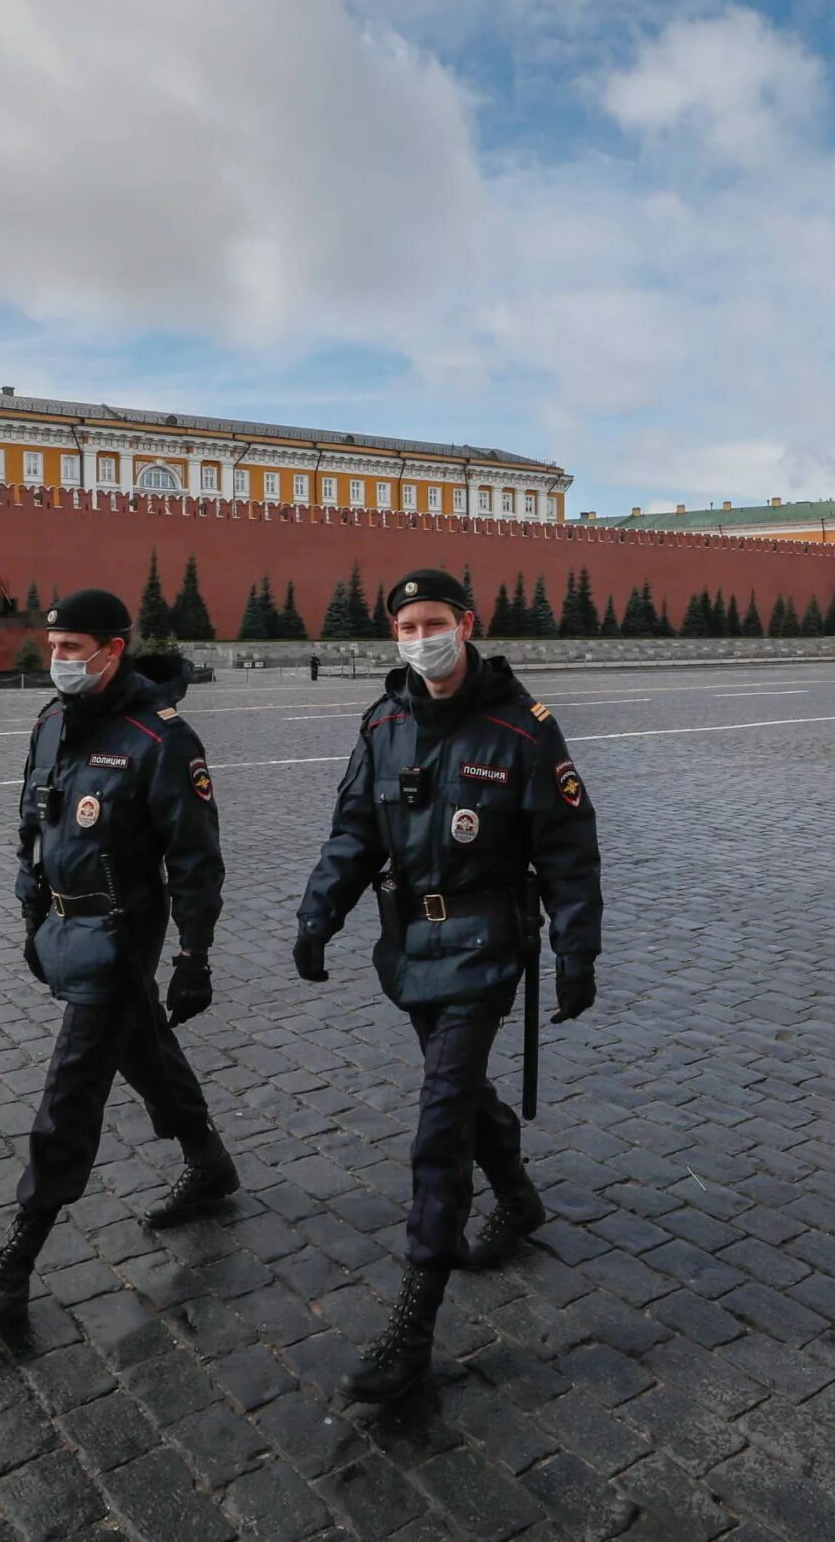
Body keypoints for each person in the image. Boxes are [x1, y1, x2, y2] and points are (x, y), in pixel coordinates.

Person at [294, 568, 602, 1400]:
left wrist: (578, 951)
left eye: (433, 620)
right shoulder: (385, 720)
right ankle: (518, 1194)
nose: (419, 636)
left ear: (467, 623)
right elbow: (354, 829)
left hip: (486, 943)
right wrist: (317, 914)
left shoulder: (523, 727)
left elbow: (569, 849)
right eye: (404, 626)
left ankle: (412, 1323)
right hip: (410, 946)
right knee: (459, 1091)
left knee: (439, 1122)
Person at [0, 588, 238, 1331]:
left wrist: (194, 953)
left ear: (112, 651)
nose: (59, 660)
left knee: (73, 1085)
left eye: (73, 648)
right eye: (53, 647)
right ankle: (207, 1160)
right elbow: (32, 820)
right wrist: (28, 905)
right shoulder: (52, 723)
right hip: (67, 924)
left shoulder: (160, 738)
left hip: (122, 928)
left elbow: (196, 859)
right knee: (137, 1041)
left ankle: (18, 1259)